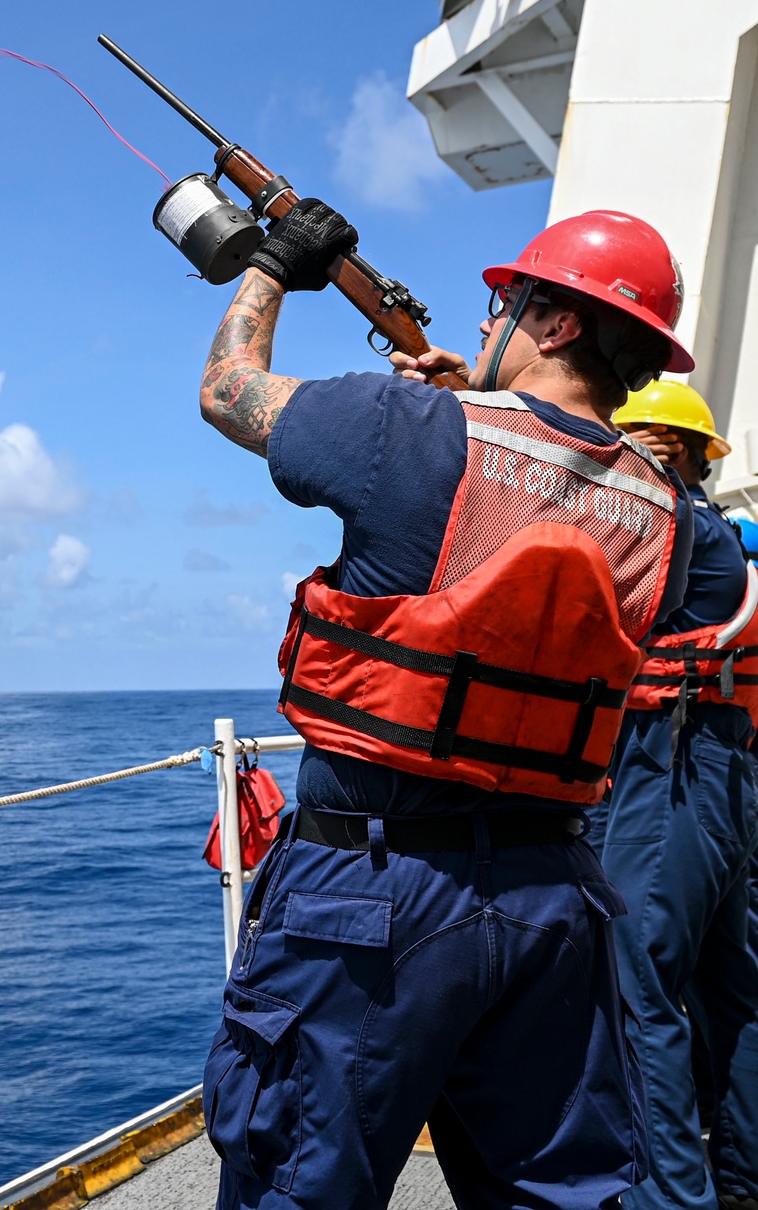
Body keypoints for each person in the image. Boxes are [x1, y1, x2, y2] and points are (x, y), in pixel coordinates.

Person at [198, 200, 694, 1210]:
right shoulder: (670, 512)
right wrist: (475, 399)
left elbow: (227, 391)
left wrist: (268, 272)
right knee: (558, 1194)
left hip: (368, 892)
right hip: (552, 897)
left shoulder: (408, 428)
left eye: (504, 304)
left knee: (298, 1180)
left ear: (555, 326)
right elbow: (549, 487)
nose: (481, 322)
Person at [602, 382, 758, 1210]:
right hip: (718, 767)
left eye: (654, 444)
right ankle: (740, 1180)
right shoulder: (718, 534)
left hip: (670, 763)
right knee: (728, 982)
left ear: (687, 457)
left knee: (640, 986)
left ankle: (670, 1198)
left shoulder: (674, 529)